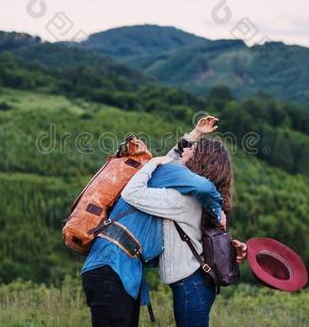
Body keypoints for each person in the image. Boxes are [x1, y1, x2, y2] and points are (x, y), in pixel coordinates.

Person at [80, 116, 226, 327]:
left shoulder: (168, 182)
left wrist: (196, 133)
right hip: (111, 268)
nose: (186, 150)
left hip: (120, 271)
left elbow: (173, 159)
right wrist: (217, 209)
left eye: (192, 149)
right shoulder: (163, 179)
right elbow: (179, 171)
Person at [121, 120, 247, 327]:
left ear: (199, 160)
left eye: (193, 150)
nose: (187, 151)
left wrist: (153, 162)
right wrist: (195, 133)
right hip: (197, 284)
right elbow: (173, 162)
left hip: (191, 285)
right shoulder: (202, 197)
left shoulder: (181, 201)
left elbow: (131, 193)